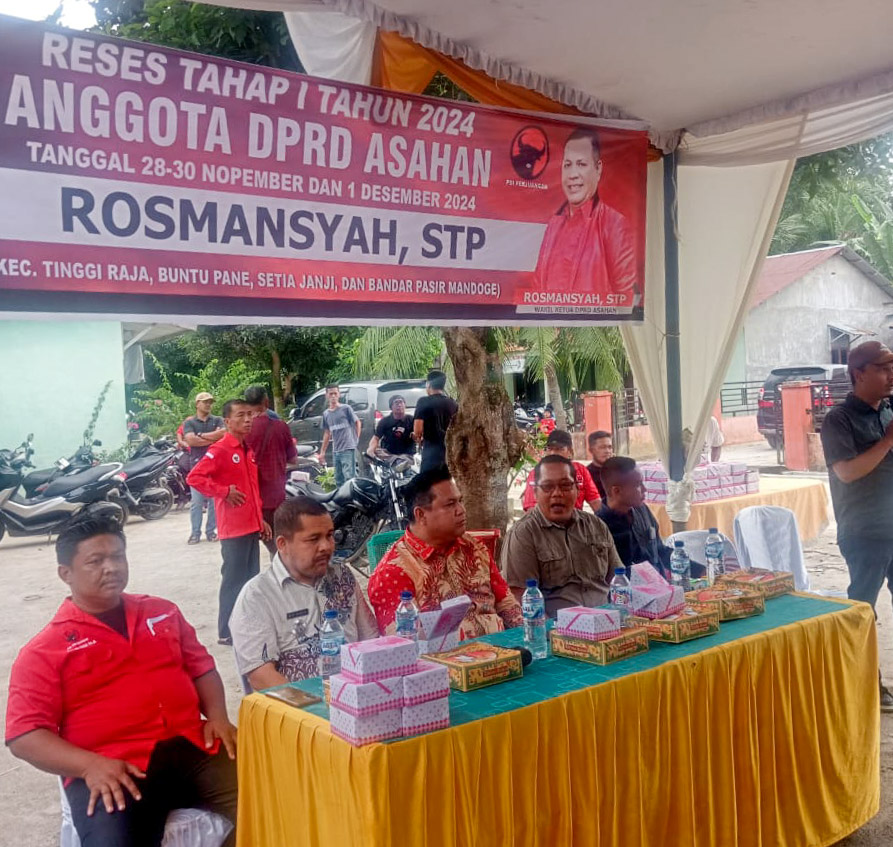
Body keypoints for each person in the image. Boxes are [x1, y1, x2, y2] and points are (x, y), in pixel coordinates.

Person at [5, 519, 238, 847]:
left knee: (278, 798)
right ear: (65, 573)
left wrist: (217, 715)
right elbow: (24, 735)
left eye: (118, 556)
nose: (111, 567)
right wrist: (89, 765)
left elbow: (202, 668)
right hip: (112, 765)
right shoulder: (45, 650)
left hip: (192, 745)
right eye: (95, 561)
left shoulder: (161, 612)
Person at [230, 498, 378, 688]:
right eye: (313, 539)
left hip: (356, 694)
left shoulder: (341, 576)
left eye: (330, 535)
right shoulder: (257, 596)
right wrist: (314, 704)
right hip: (296, 704)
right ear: (282, 544)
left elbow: (371, 641)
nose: (326, 546)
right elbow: (261, 676)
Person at [820, 340, 893, 712]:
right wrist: (889, 439)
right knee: (863, 611)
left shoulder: (889, 410)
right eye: (883, 368)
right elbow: (847, 472)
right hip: (864, 532)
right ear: (859, 373)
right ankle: (868, 685)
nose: (891, 375)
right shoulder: (839, 419)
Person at [368, 466, 523, 638]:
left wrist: (526, 638)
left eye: (460, 501)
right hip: (446, 654)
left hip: (503, 648)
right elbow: (404, 644)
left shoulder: (473, 546)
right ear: (421, 515)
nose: (461, 510)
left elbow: (507, 605)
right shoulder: (393, 571)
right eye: (450, 504)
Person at [187, 399, 271, 646]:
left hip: (251, 526)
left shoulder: (246, 449)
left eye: (250, 415)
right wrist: (223, 492)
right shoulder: (221, 449)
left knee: (251, 579)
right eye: (241, 415)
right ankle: (226, 631)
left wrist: (260, 520)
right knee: (233, 580)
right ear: (227, 421)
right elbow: (195, 477)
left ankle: (244, 626)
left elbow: (252, 489)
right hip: (233, 529)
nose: (247, 420)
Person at [502, 455, 620, 615]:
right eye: (547, 487)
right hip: (556, 627)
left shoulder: (596, 525)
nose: (557, 493)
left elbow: (617, 578)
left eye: (565, 486)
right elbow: (519, 596)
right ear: (535, 493)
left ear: (577, 489)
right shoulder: (523, 534)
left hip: (606, 619)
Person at [532, 128, 639, 306]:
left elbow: (627, 301)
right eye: (567, 165)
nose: (573, 175)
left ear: (598, 169)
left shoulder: (614, 224)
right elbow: (536, 292)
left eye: (581, 164)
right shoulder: (553, 225)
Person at [596, 456, 673, 578]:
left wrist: (700, 570)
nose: (644, 489)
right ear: (616, 491)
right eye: (637, 485)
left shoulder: (642, 509)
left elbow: (660, 551)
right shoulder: (598, 527)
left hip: (660, 584)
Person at [244, 385, 298, 557]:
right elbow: (293, 459)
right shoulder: (281, 426)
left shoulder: (243, 431)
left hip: (251, 499)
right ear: (266, 402)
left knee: (254, 550)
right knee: (278, 545)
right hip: (276, 498)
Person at [521, 429, 601, 512]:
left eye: (559, 449)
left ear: (570, 451)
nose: (553, 453)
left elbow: (595, 501)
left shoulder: (581, 470)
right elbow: (531, 509)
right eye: (549, 449)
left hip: (575, 518)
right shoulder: (536, 473)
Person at [182, 392, 225, 545]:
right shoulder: (190, 422)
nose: (208, 405)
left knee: (214, 502)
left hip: (215, 467)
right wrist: (212, 438)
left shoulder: (218, 420)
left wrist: (200, 435)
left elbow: (223, 434)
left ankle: (211, 531)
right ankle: (195, 533)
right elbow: (191, 441)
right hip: (197, 467)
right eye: (205, 402)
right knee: (196, 502)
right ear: (197, 404)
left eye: (210, 402)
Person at [413, 370, 458, 472]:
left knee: (428, 479)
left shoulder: (423, 401)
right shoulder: (453, 403)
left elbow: (418, 431)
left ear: (428, 384)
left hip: (431, 451)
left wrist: (418, 439)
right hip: (449, 451)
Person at [319, 384, 361, 486]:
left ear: (339, 394)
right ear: (326, 395)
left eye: (335, 393)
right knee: (338, 479)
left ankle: (353, 495)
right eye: (331, 394)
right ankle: (341, 496)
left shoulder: (346, 408)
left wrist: (355, 440)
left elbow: (357, 422)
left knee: (350, 478)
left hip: (348, 448)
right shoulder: (326, 414)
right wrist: (322, 452)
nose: (333, 396)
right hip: (336, 450)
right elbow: (327, 433)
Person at [366, 395, 416, 459]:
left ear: (405, 405)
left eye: (401, 402)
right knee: (375, 452)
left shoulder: (412, 420)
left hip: (408, 454)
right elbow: (376, 437)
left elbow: (421, 436)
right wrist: (371, 449)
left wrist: (417, 436)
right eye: (396, 403)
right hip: (388, 454)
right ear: (391, 407)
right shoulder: (385, 421)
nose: (399, 405)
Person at [586, 429, 613, 500]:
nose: (607, 451)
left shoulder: (619, 470)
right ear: (591, 450)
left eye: (609, 447)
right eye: (602, 447)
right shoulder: (586, 474)